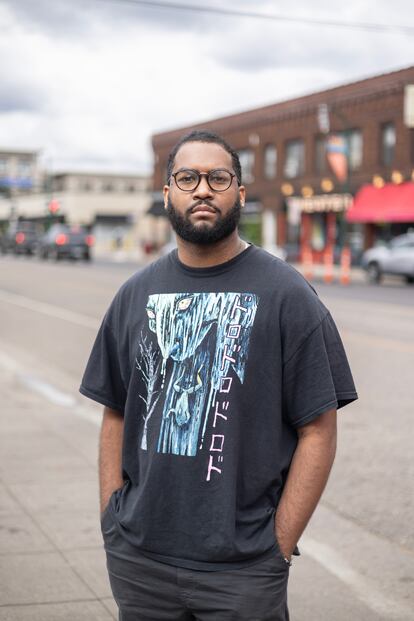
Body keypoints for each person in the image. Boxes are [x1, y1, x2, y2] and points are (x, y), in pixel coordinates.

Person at [80, 130, 358, 620]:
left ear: (241, 194)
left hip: (243, 572)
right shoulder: (133, 295)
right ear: (167, 193)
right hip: (140, 561)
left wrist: (279, 544)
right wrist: (111, 520)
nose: (203, 189)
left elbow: (319, 428)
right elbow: (116, 412)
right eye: (187, 178)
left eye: (218, 177)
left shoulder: (287, 295)